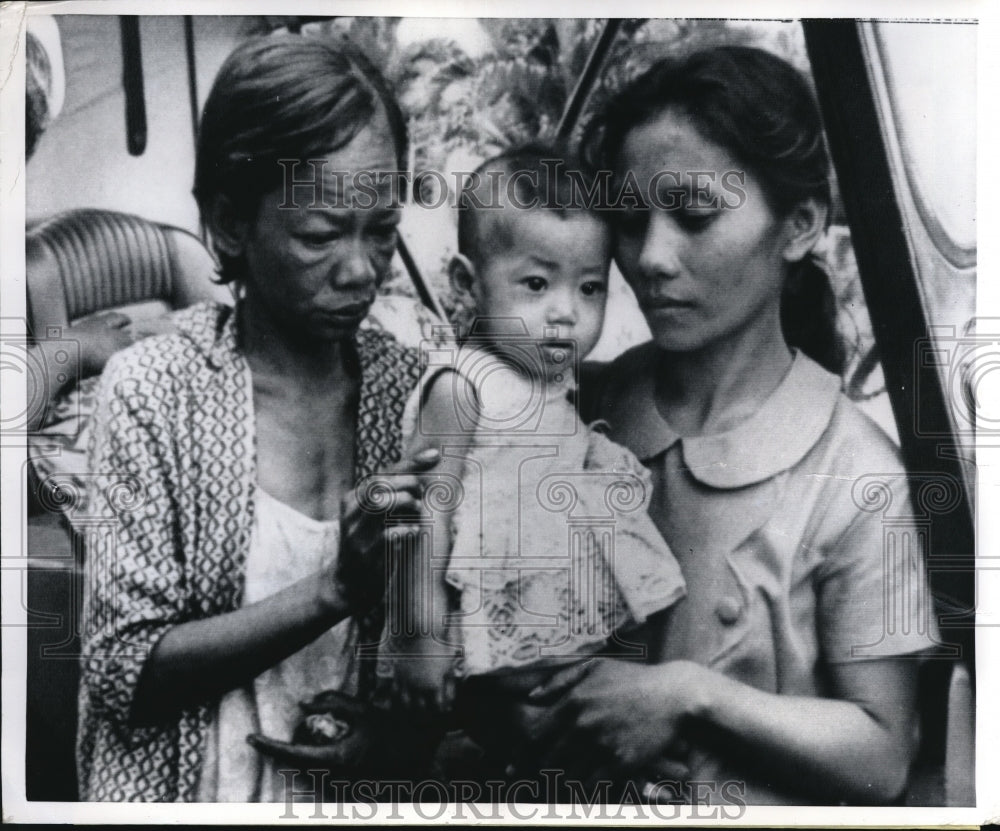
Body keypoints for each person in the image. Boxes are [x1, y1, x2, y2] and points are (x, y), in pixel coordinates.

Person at [510, 46, 941, 805]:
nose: (651, 256)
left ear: (801, 224)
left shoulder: (859, 472)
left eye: (694, 215)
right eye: (631, 220)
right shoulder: (580, 410)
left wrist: (688, 694)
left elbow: (883, 754)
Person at [77, 34, 432, 802]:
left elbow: (443, 639)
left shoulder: (411, 393)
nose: (361, 269)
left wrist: (396, 736)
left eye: (382, 231)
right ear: (232, 223)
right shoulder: (155, 391)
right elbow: (121, 675)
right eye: (320, 234)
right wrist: (332, 590)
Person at [373, 145, 686, 712]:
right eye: (537, 285)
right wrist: (421, 634)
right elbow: (423, 513)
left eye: (590, 288)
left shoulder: (552, 378)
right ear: (469, 284)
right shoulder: (460, 386)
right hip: (488, 616)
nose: (566, 312)